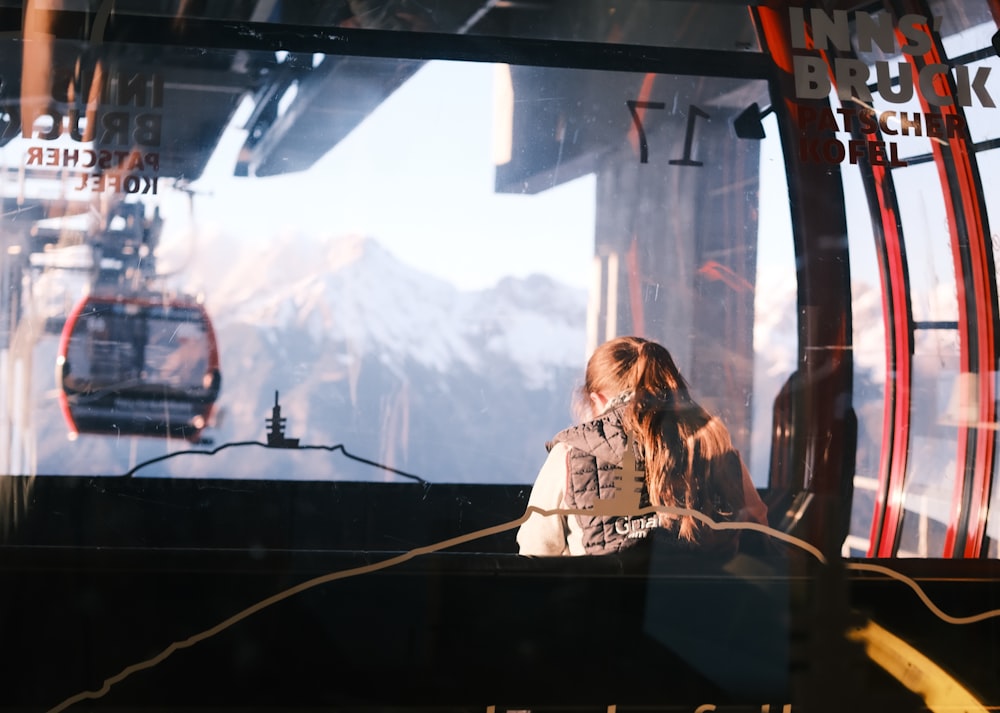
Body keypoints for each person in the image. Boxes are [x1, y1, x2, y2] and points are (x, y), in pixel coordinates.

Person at [517, 336, 768, 556]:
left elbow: (535, 550)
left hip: (599, 606)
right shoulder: (711, 442)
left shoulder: (570, 453)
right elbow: (757, 527)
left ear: (598, 399)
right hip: (702, 607)